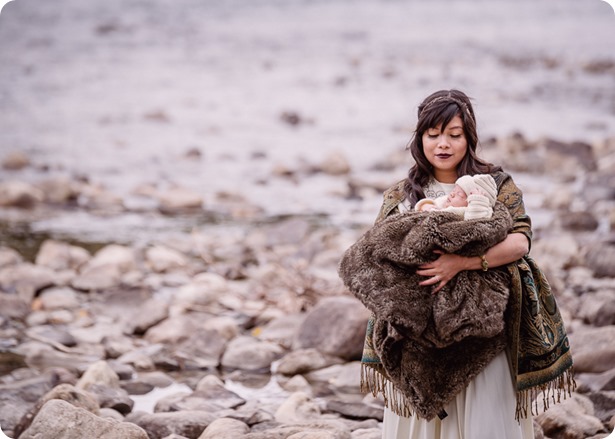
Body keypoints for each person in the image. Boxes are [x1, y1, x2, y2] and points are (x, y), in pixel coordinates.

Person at [344, 90, 574, 439]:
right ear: (420, 138)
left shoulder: (495, 185)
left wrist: (462, 263)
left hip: (486, 329)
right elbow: (381, 252)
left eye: (454, 134)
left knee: (486, 418)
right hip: (418, 333)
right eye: (433, 134)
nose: (443, 144)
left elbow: (520, 241)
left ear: (469, 137)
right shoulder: (404, 194)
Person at [413, 173, 497, 220]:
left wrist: (478, 202)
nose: (452, 194)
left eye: (459, 194)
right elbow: (435, 203)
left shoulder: (470, 213)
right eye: (453, 190)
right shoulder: (445, 202)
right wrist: (425, 206)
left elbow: (476, 224)